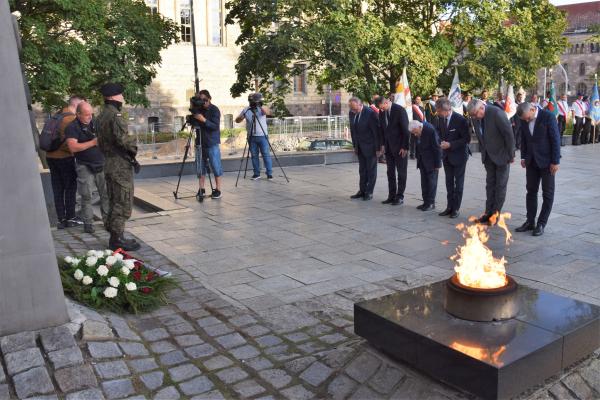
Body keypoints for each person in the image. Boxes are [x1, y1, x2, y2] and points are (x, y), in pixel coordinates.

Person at [96, 83, 141, 251]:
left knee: (114, 199)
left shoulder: (101, 116)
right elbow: (122, 140)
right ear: (113, 96)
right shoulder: (115, 116)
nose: (122, 97)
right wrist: (134, 145)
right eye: (121, 95)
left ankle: (115, 236)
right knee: (122, 201)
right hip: (119, 165)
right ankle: (117, 238)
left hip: (108, 162)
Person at [514, 102, 561, 237]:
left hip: (547, 162)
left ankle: (541, 223)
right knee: (531, 192)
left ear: (533, 109)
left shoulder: (548, 117)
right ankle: (530, 221)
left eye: (528, 118)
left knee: (547, 194)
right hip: (531, 162)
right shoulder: (524, 119)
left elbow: (555, 140)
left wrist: (555, 161)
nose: (526, 121)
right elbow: (524, 139)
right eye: (524, 119)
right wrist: (523, 157)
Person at [467, 99, 515, 224]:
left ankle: (495, 215)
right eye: (473, 116)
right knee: (490, 186)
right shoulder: (475, 116)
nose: (475, 118)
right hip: (488, 157)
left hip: (502, 156)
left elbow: (509, 134)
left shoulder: (497, 113)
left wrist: (511, 154)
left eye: (476, 114)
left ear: (482, 108)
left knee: (500, 186)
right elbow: (480, 135)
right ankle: (488, 213)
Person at [65, 101, 109, 234]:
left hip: (101, 163)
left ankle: (108, 221)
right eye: (86, 115)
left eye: (91, 114)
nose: (90, 117)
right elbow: (73, 147)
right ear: (78, 114)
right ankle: (88, 223)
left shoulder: (95, 123)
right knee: (86, 196)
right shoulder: (72, 127)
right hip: (84, 165)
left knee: (106, 194)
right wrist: (93, 142)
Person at [45, 95, 83, 229]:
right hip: (64, 158)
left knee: (57, 189)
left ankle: (61, 219)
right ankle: (71, 218)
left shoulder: (58, 114)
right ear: (77, 105)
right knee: (70, 188)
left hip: (50, 157)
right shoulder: (71, 119)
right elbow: (72, 143)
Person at [433, 98, 470, 218]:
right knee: (448, 182)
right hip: (446, 155)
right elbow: (437, 132)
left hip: (459, 156)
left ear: (446, 110)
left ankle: (456, 209)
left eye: (439, 111)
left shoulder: (460, 120)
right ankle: (449, 207)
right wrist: (440, 142)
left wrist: (451, 144)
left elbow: (466, 139)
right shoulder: (440, 119)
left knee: (458, 184)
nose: (437, 113)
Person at [373, 95, 410, 205]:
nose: (381, 110)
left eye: (382, 107)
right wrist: (383, 145)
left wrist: (405, 147)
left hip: (400, 147)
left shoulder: (399, 110)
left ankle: (400, 196)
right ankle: (392, 195)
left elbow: (406, 130)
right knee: (390, 172)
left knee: (401, 172)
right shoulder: (382, 112)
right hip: (389, 148)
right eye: (380, 108)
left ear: (386, 102)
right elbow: (382, 130)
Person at [191, 90, 223, 199]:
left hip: (212, 142)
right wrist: (194, 108)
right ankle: (201, 189)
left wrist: (203, 120)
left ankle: (218, 189)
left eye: (205, 100)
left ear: (210, 98)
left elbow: (215, 126)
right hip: (200, 142)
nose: (204, 102)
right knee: (200, 166)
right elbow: (194, 123)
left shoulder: (214, 110)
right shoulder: (198, 110)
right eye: (201, 100)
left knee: (215, 165)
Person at [348, 97, 380, 201]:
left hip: (370, 147)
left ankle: (369, 192)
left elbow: (376, 132)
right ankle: (362, 190)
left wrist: (378, 148)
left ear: (360, 104)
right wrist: (355, 146)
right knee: (362, 170)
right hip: (360, 147)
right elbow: (353, 131)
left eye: (354, 109)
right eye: (351, 109)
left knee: (371, 170)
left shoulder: (370, 113)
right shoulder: (352, 113)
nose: (353, 111)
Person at [235, 93, 273, 180]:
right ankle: (256, 173)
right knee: (254, 155)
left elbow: (269, 113)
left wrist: (260, 106)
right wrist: (241, 117)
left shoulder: (262, 108)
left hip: (262, 135)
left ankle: (269, 173)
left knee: (266, 155)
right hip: (251, 136)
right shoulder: (246, 110)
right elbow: (237, 120)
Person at [409, 120, 442, 211]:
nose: (415, 135)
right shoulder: (418, 129)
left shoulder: (430, 130)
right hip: (422, 160)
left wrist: (438, 163)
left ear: (419, 127)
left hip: (431, 161)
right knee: (424, 183)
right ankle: (425, 202)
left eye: (415, 132)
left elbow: (437, 147)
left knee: (431, 183)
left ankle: (431, 203)